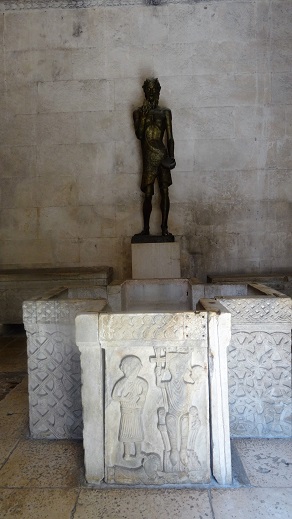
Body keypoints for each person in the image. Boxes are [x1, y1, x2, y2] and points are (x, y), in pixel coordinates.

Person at [133, 78, 176, 237]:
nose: (151, 93)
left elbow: (170, 138)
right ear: (145, 92)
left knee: (164, 191)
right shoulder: (138, 112)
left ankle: (164, 228)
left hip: (162, 156)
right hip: (148, 157)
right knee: (148, 194)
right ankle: (146, 229)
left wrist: (171, 157)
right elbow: (139, 135)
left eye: (154, 89)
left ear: (158, 91)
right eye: (148, 90)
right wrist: (144, 116)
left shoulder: (165, 112)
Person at [112, 355, 148, 461]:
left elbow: (143, 395)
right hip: (126, 410)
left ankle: (138, 454)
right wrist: (124, 399)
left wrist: (140, 401)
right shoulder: (122, 382)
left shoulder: (142, 382)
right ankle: (127, 454)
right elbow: (114, 396)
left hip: (136, 411)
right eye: (126, 368)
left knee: (137, 433)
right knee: (126, 432)